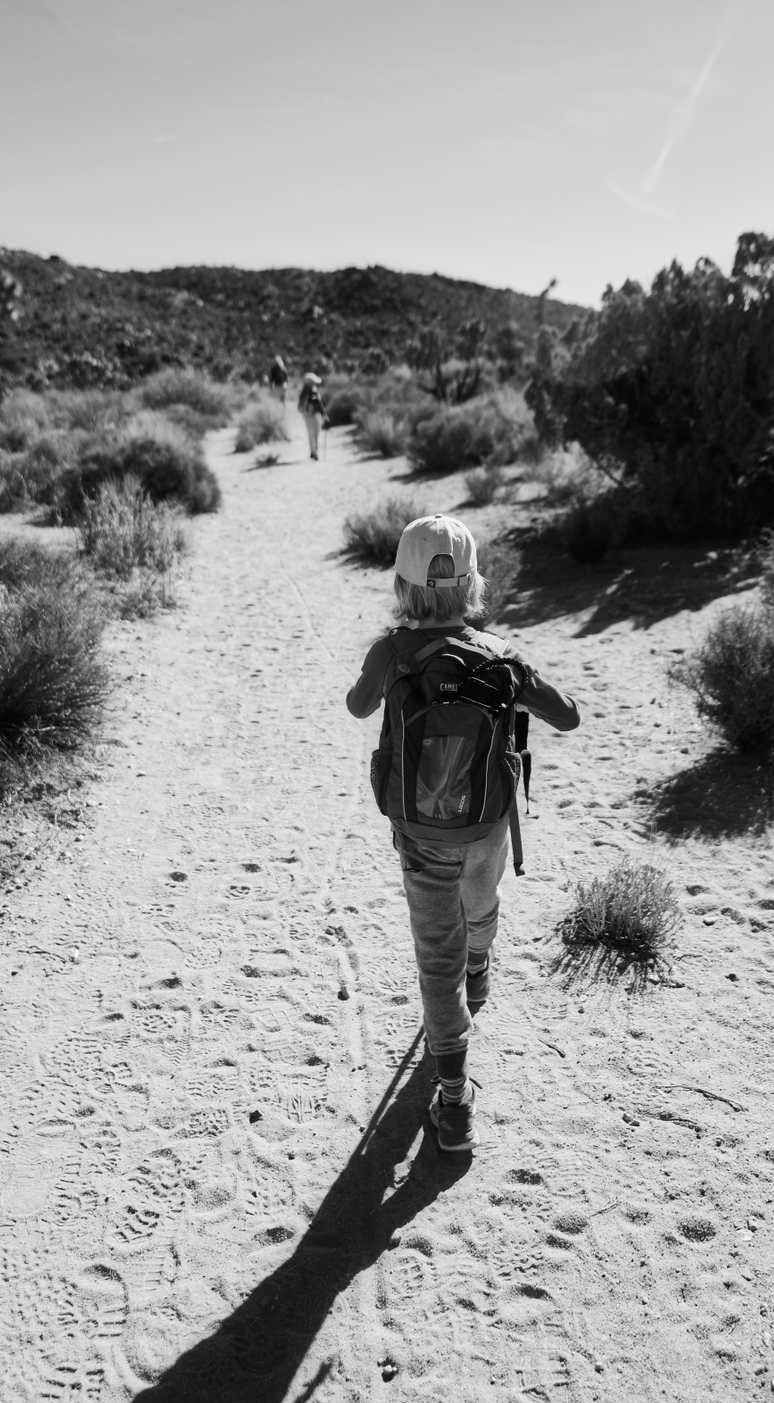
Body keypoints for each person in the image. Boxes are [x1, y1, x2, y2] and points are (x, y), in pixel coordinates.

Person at [346, 514, 580, 1153]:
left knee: (434, 961)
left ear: (402, 584)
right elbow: (569, 717)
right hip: (487, 823)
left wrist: (394, 666)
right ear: (474, 582)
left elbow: (357, 707)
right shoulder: (502, 655)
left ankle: (454, 1103)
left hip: (421, 833)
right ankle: (481, 965)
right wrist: (512, 680)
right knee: (482, 902)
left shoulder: (391, 653)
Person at [297, 372, 328, 460]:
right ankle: (314, 452)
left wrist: (324, 414)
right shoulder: (304, 393)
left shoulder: (315, 391)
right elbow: (301, 406)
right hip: (309, 416)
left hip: (316, 415)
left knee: (316, 433)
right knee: (311, 434)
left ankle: (314, 451)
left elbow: (320, 404)